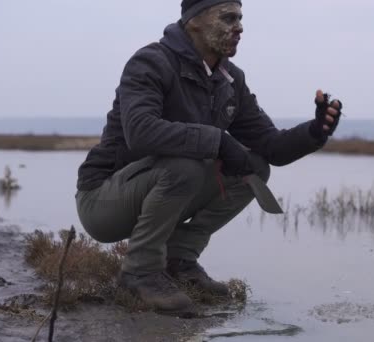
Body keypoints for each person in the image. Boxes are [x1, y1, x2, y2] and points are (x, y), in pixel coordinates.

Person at [75, 0, 342, 313]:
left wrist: (314, 131)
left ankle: (179, 260)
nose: (239, 27)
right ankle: (140, 272)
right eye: (228, 17)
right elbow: (141, 131)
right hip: (103, 200)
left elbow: (271, 147)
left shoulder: (230, 80)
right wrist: (217, 140)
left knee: (254, 168)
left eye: (241, 18)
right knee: (185, 165)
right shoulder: (150, 62)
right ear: (194, 21)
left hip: (159, 188)